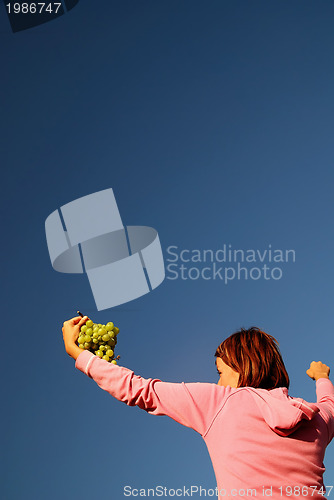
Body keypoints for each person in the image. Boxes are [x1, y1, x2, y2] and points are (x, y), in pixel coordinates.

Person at [62, 315, 334, 499]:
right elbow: (329, 405)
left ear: (241, 368)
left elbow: (138, 389)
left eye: (220, 371)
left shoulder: (220, 402)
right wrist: (322, 378)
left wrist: (79, 353)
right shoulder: (316, 419)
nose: (218, 381)